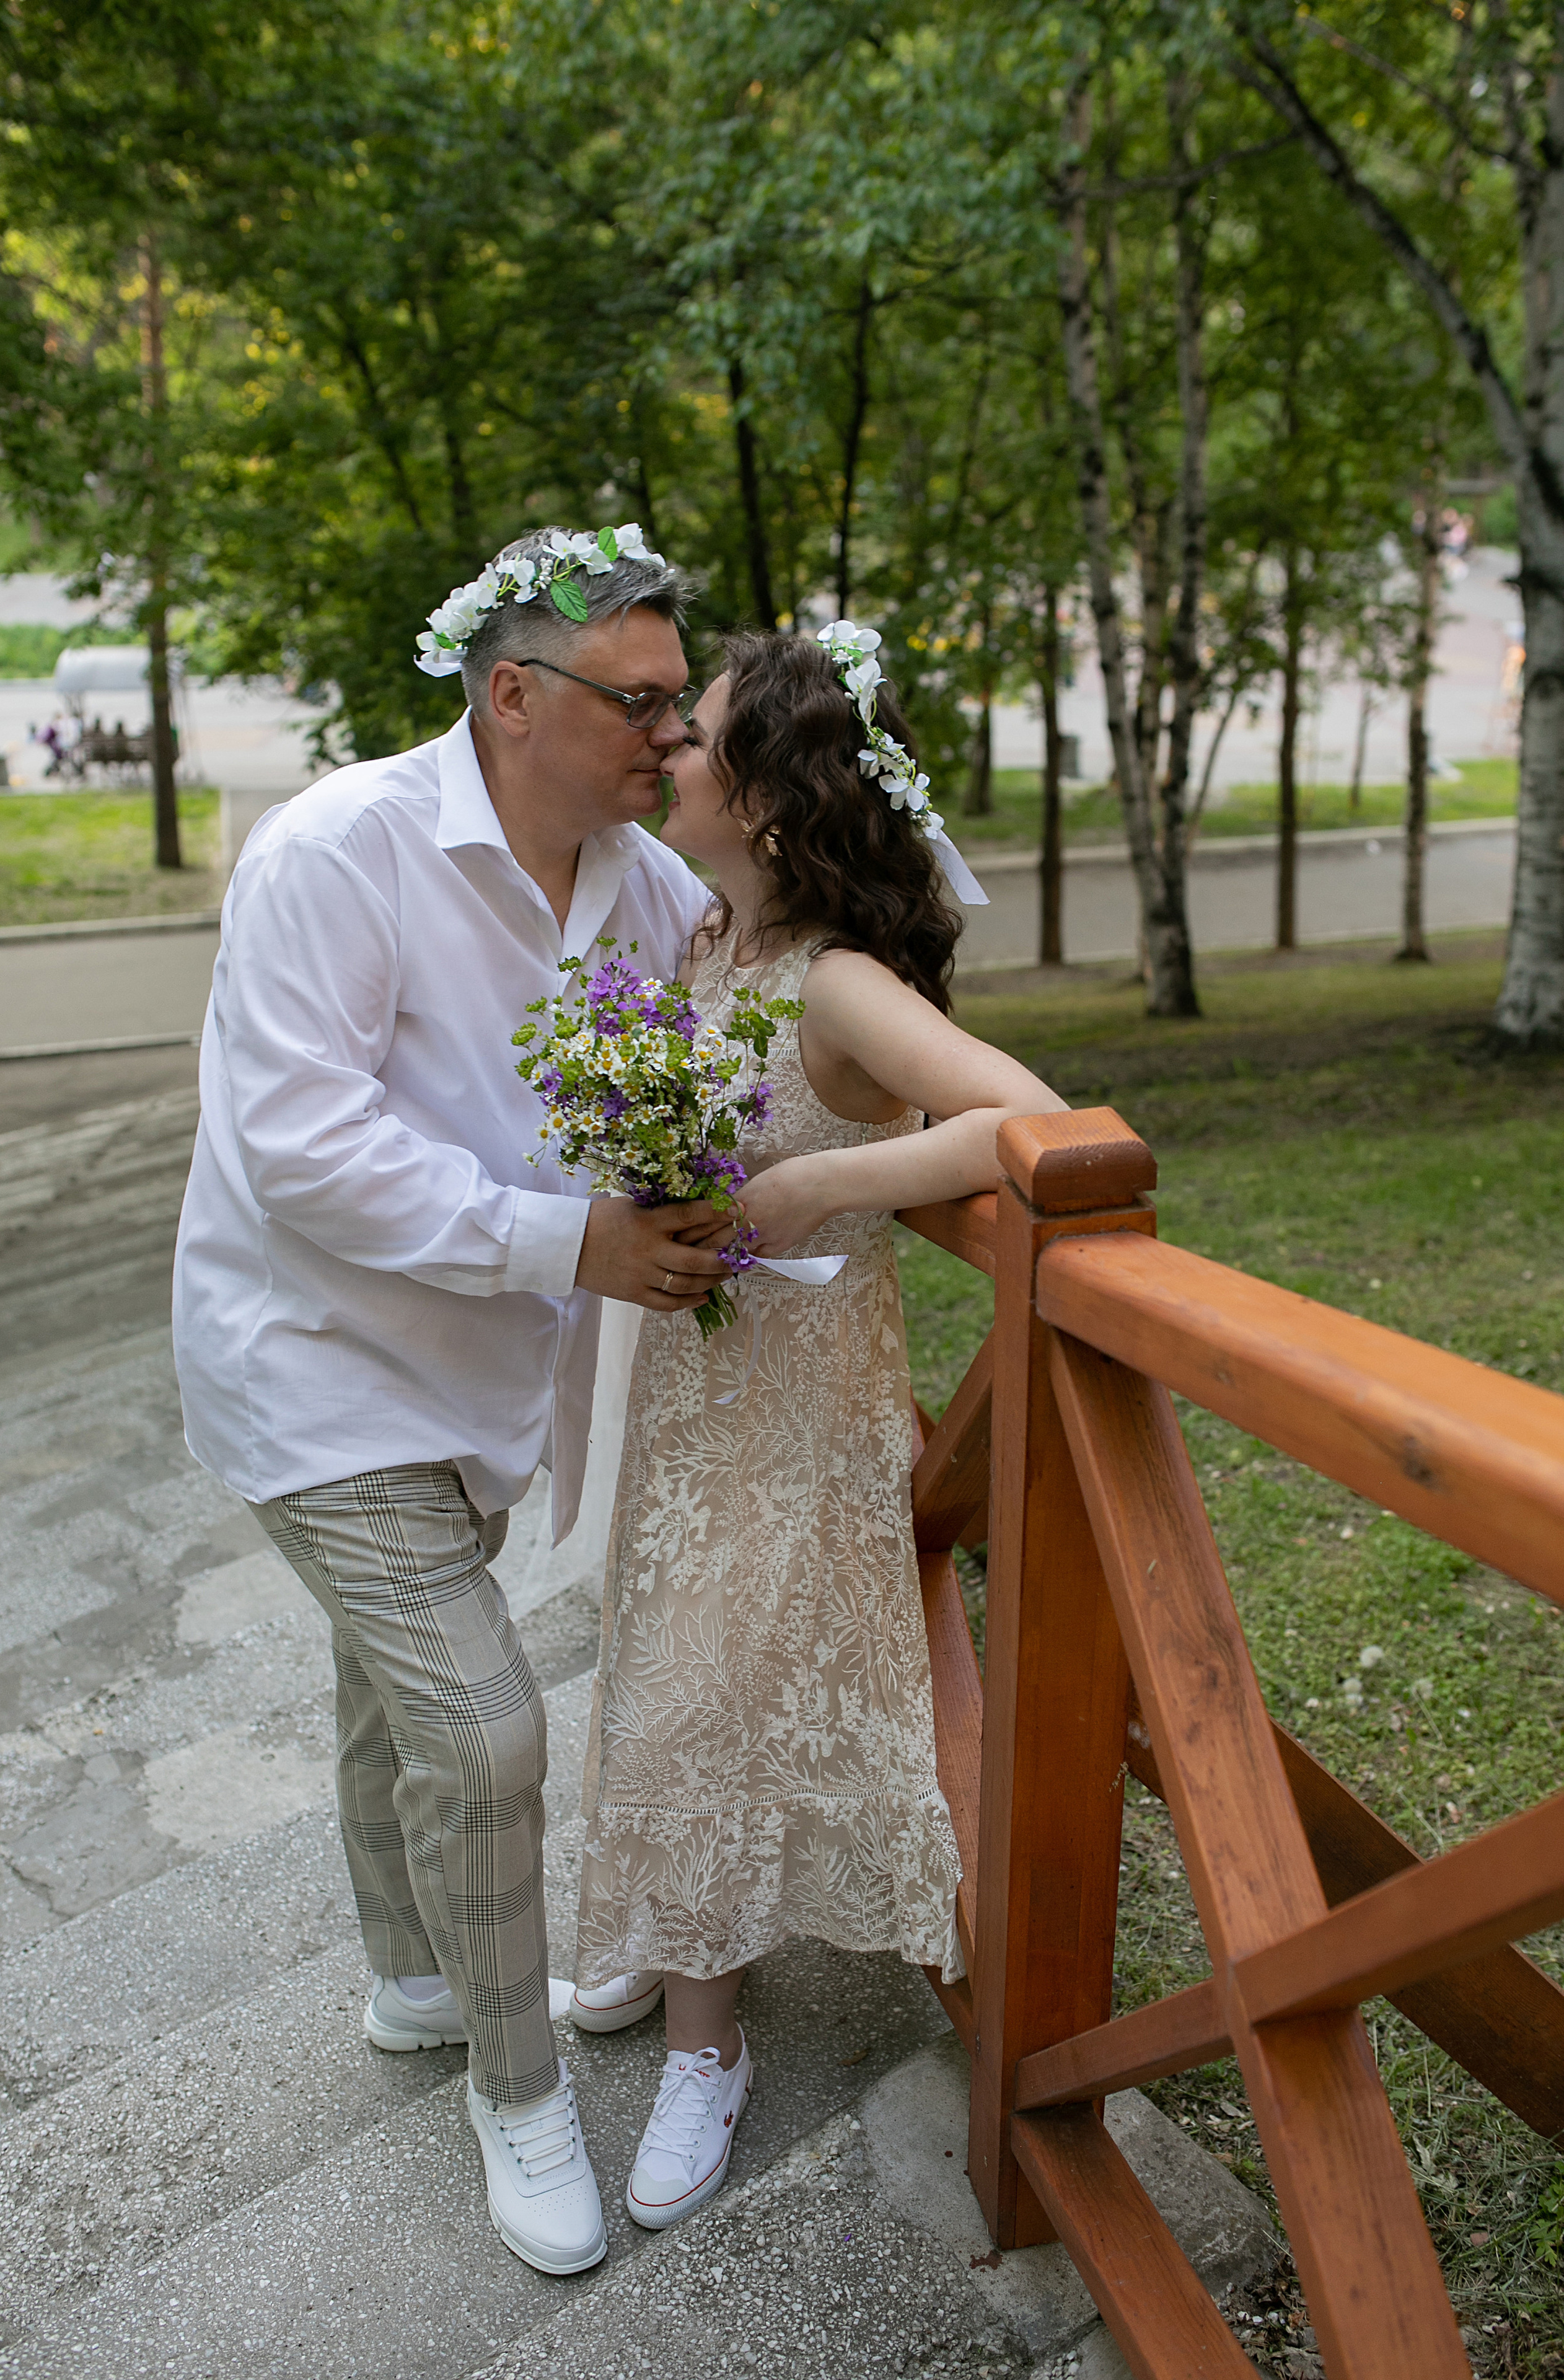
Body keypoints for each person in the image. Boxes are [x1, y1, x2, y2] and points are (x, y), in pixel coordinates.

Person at [171, 523, 734, 2279]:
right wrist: (566, 1243)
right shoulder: (338, 850)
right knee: (487, 1731)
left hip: (482, 1374)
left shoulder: (647, 891)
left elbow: (694, 1074)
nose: (671, 737)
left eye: (677, 703)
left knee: (390, 1692)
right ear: (511, 695)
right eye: (640, 703)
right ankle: (521, 2087)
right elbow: (300, 1152)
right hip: (313, 1363)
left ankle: (415, 1980)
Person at [569, 623, 1067, 2230]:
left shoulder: (838, 981)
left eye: (695, 735)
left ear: (774, 802)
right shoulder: (705, 940)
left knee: (706, 1700)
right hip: (699, 1382)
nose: (667, 753)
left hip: (799, 1402)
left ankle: (708, 2051)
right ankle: (678, 1928)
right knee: (666, 1668)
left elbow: (1031, 1114)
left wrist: (827, 1178)